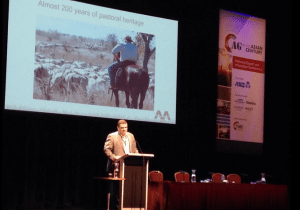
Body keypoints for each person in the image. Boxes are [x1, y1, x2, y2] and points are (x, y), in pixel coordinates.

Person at [103, 119, 139, 210]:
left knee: (126, 191)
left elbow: (134, 150)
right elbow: (106, 149)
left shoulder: (131, 136)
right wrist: (113, 157)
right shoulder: (112, 136)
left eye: (126, 128)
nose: (124, 130)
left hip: (129, 167)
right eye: (122, 128)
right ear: (118, 128)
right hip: (116, 168)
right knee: (115, 192)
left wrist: (138, 156)